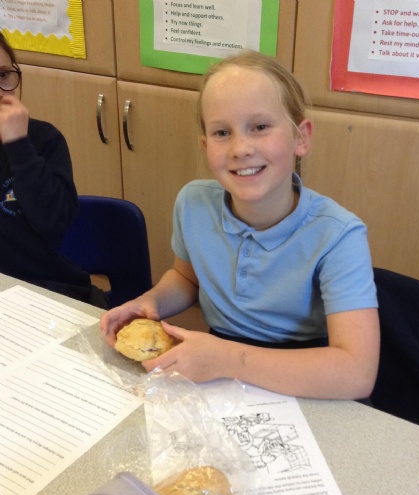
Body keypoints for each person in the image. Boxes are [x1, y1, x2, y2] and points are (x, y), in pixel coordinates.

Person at [101, 50, 380, 399]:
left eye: (260, 127)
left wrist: (227, 359)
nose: (240, 148)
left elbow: (356, 373)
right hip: (218, 375)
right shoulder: (193, 203)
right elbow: (187, 279)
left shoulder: (339, 235)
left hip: (303, 377)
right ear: (206, 145)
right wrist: (150, 301)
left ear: (301, 137)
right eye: (222, 132)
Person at [0, 31, 108, 309]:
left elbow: (54, 223)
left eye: (3, 75)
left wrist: (19, 146)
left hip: (51, 292)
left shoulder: (43, 140)